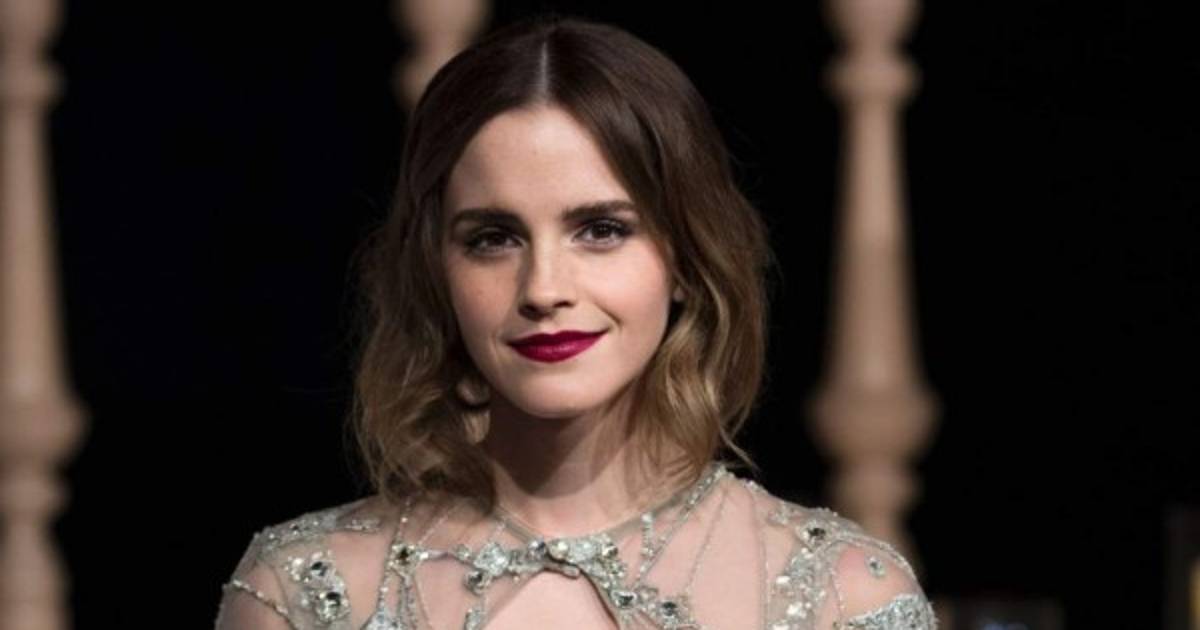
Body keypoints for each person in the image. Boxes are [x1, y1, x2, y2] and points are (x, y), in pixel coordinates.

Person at [214, 12, 937, 630]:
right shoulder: (301, 591)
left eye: (600, 230)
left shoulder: (843, 595)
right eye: (493, 238)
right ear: (436, 270)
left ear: (684, 259)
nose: (543, 289)